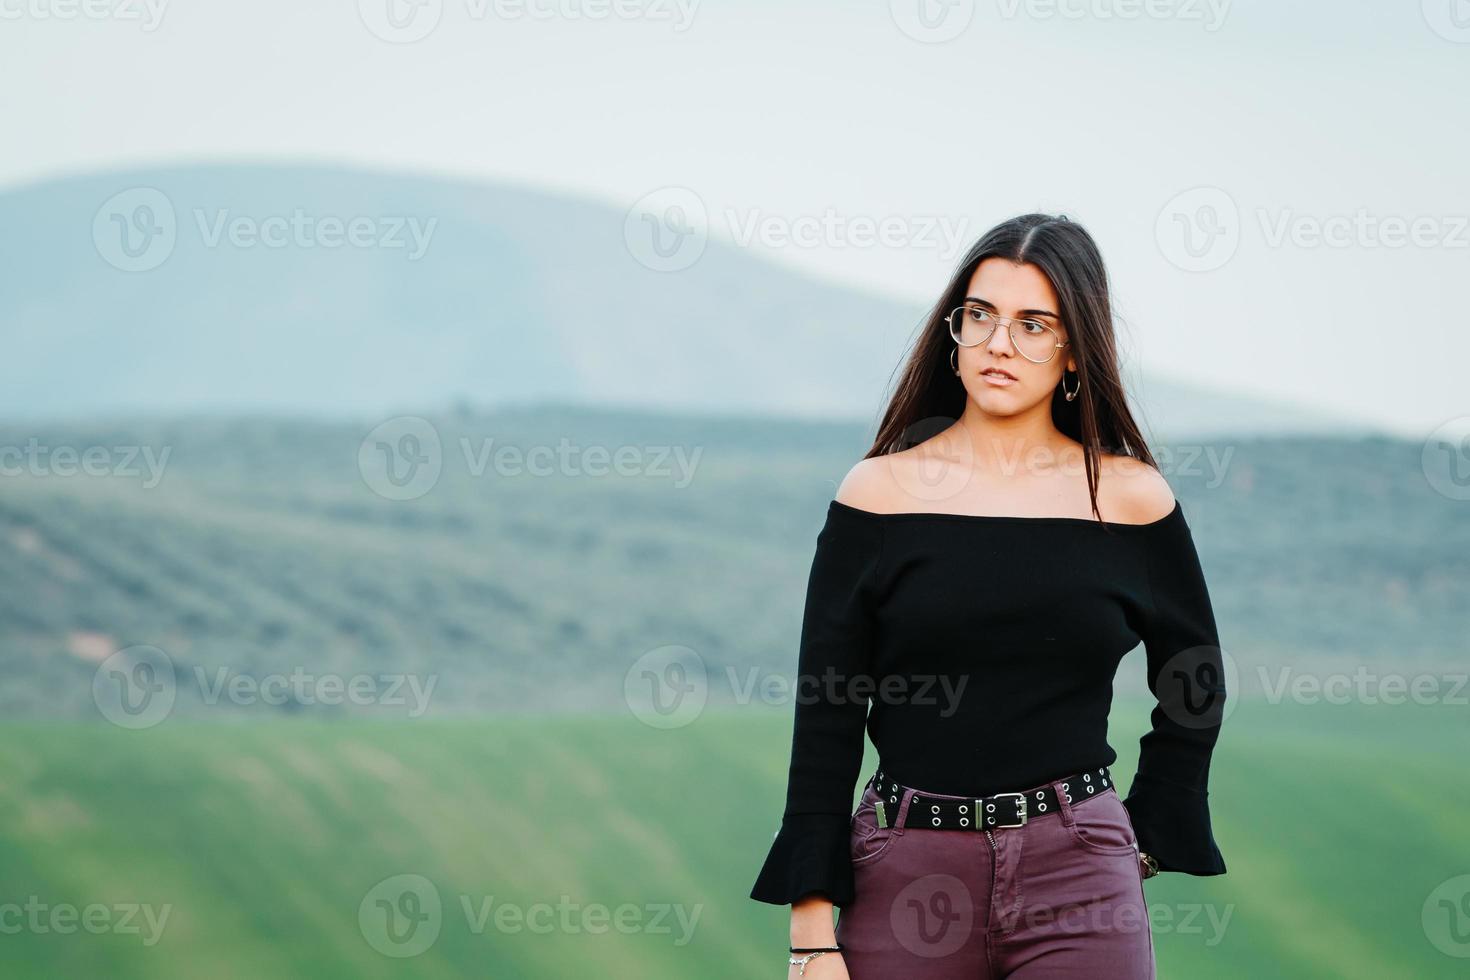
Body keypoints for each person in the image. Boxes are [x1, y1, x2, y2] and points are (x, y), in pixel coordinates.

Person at [749, 213, 1228, 979]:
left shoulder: (1132, 499)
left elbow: (1194, 679)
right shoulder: (879, 495)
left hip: (1079, 881)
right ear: (955, 332)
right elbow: (827, 711)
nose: (1000, 343)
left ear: (1075, 350)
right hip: (905, 870)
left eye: (1034, 324)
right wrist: (811, 938)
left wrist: (1141, 836)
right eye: (981, 316)